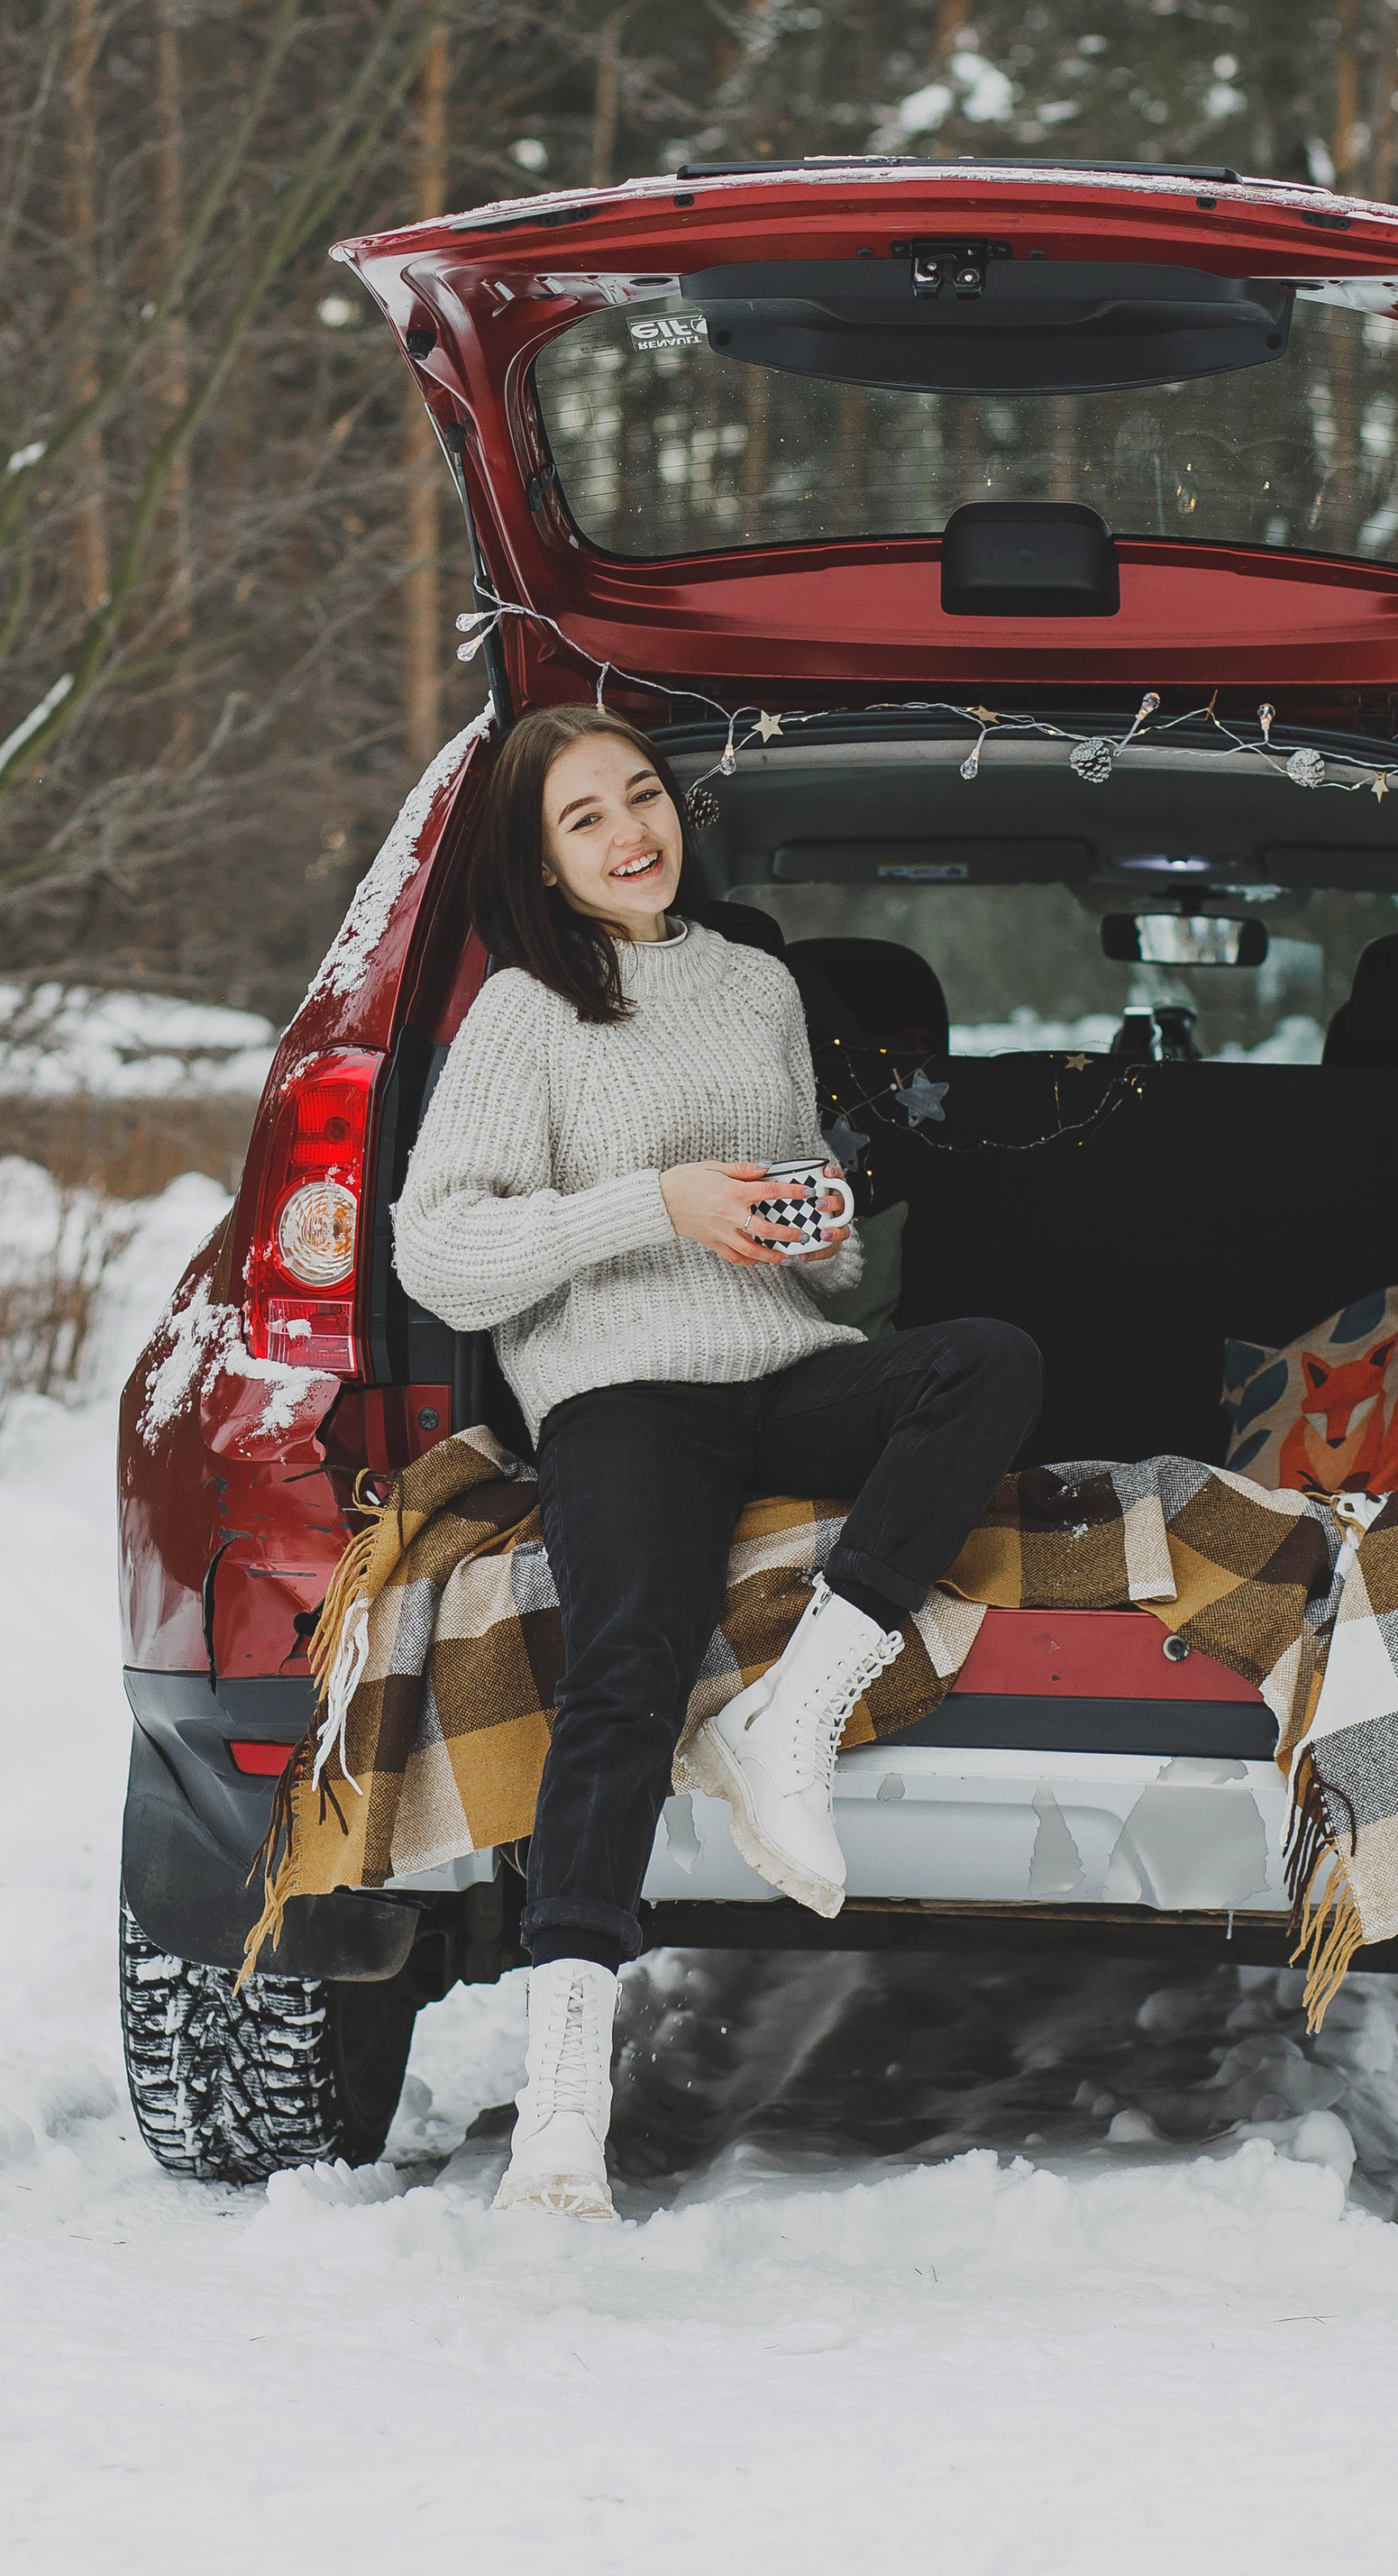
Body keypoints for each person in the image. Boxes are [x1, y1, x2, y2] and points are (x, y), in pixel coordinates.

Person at [392, 704, 1042, 2220]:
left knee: (990, 1360)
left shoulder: (755, 985)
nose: (632, 833)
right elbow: (442, 1253)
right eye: (584, 819)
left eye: (643, 796)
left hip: (779, 1364)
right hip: (621, 1387)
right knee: (626, 1659)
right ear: (541, 865)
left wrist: (803, 1219)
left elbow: (797, 1212)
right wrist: (654, 1206)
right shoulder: (522, 1016)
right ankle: (564, 2096)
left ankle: (791, 1721)